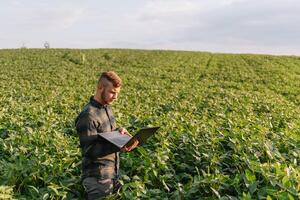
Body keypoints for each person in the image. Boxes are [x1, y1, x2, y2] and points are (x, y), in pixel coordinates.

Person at [75, 71, 139, 199]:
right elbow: (90, 150)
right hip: (98, 179)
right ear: (100, 88)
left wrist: (121, 133)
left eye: (117, 93)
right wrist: (119, 145)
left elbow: (107, 136)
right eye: (112, 92)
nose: (115, 97)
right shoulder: (88, 115)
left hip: (112, 175)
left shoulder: (107, 108)